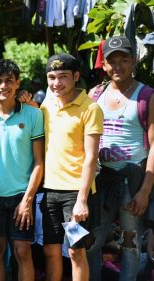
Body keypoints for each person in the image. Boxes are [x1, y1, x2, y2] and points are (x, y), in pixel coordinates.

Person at [86, 35, 154, 281]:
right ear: (103, 65)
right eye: (111, 61)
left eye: (124, 60)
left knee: (130, 242)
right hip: (101, 178)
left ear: (134, 61)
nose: (118, 66)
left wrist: (145, 190)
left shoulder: (146, 95)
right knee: (91, 240)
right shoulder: (94, 94)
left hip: (132, 178)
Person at [0, 60, 45, 281]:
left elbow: (39, 162)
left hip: (22, 195)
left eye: (9, 81)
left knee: (22, 252)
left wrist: (27, 200)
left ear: (17, 84)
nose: (3, 86)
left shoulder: (33, 115)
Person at [40, 53, 103, 281]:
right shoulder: (46, 104)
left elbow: (91, 157)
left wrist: (82, 199)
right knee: (50, 251)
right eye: (52, 77)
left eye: (63, 76)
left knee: (76, 251)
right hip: (49, 191)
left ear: (76, 76)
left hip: (76, 193)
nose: (57, 83)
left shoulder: (90, 108)